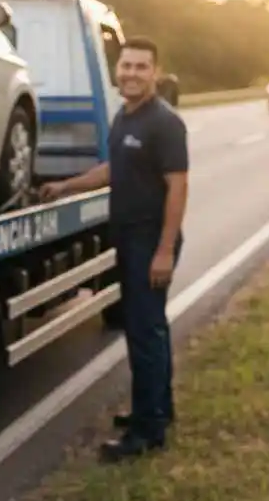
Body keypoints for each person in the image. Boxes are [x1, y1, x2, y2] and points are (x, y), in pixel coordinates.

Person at [39, 35, 188, 462]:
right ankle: (157, 409)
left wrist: (163, 250)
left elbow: (178, 187)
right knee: (149, 327)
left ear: (155, 73)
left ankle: (148, 430)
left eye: (142, 67)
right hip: (128, 236)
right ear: (117, 70)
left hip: (150, 239)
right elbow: (113, 169)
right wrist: (67, 185)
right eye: (126, 66)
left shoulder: (164, 123)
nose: (132, 74)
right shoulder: (125, 117)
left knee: (144, 331)